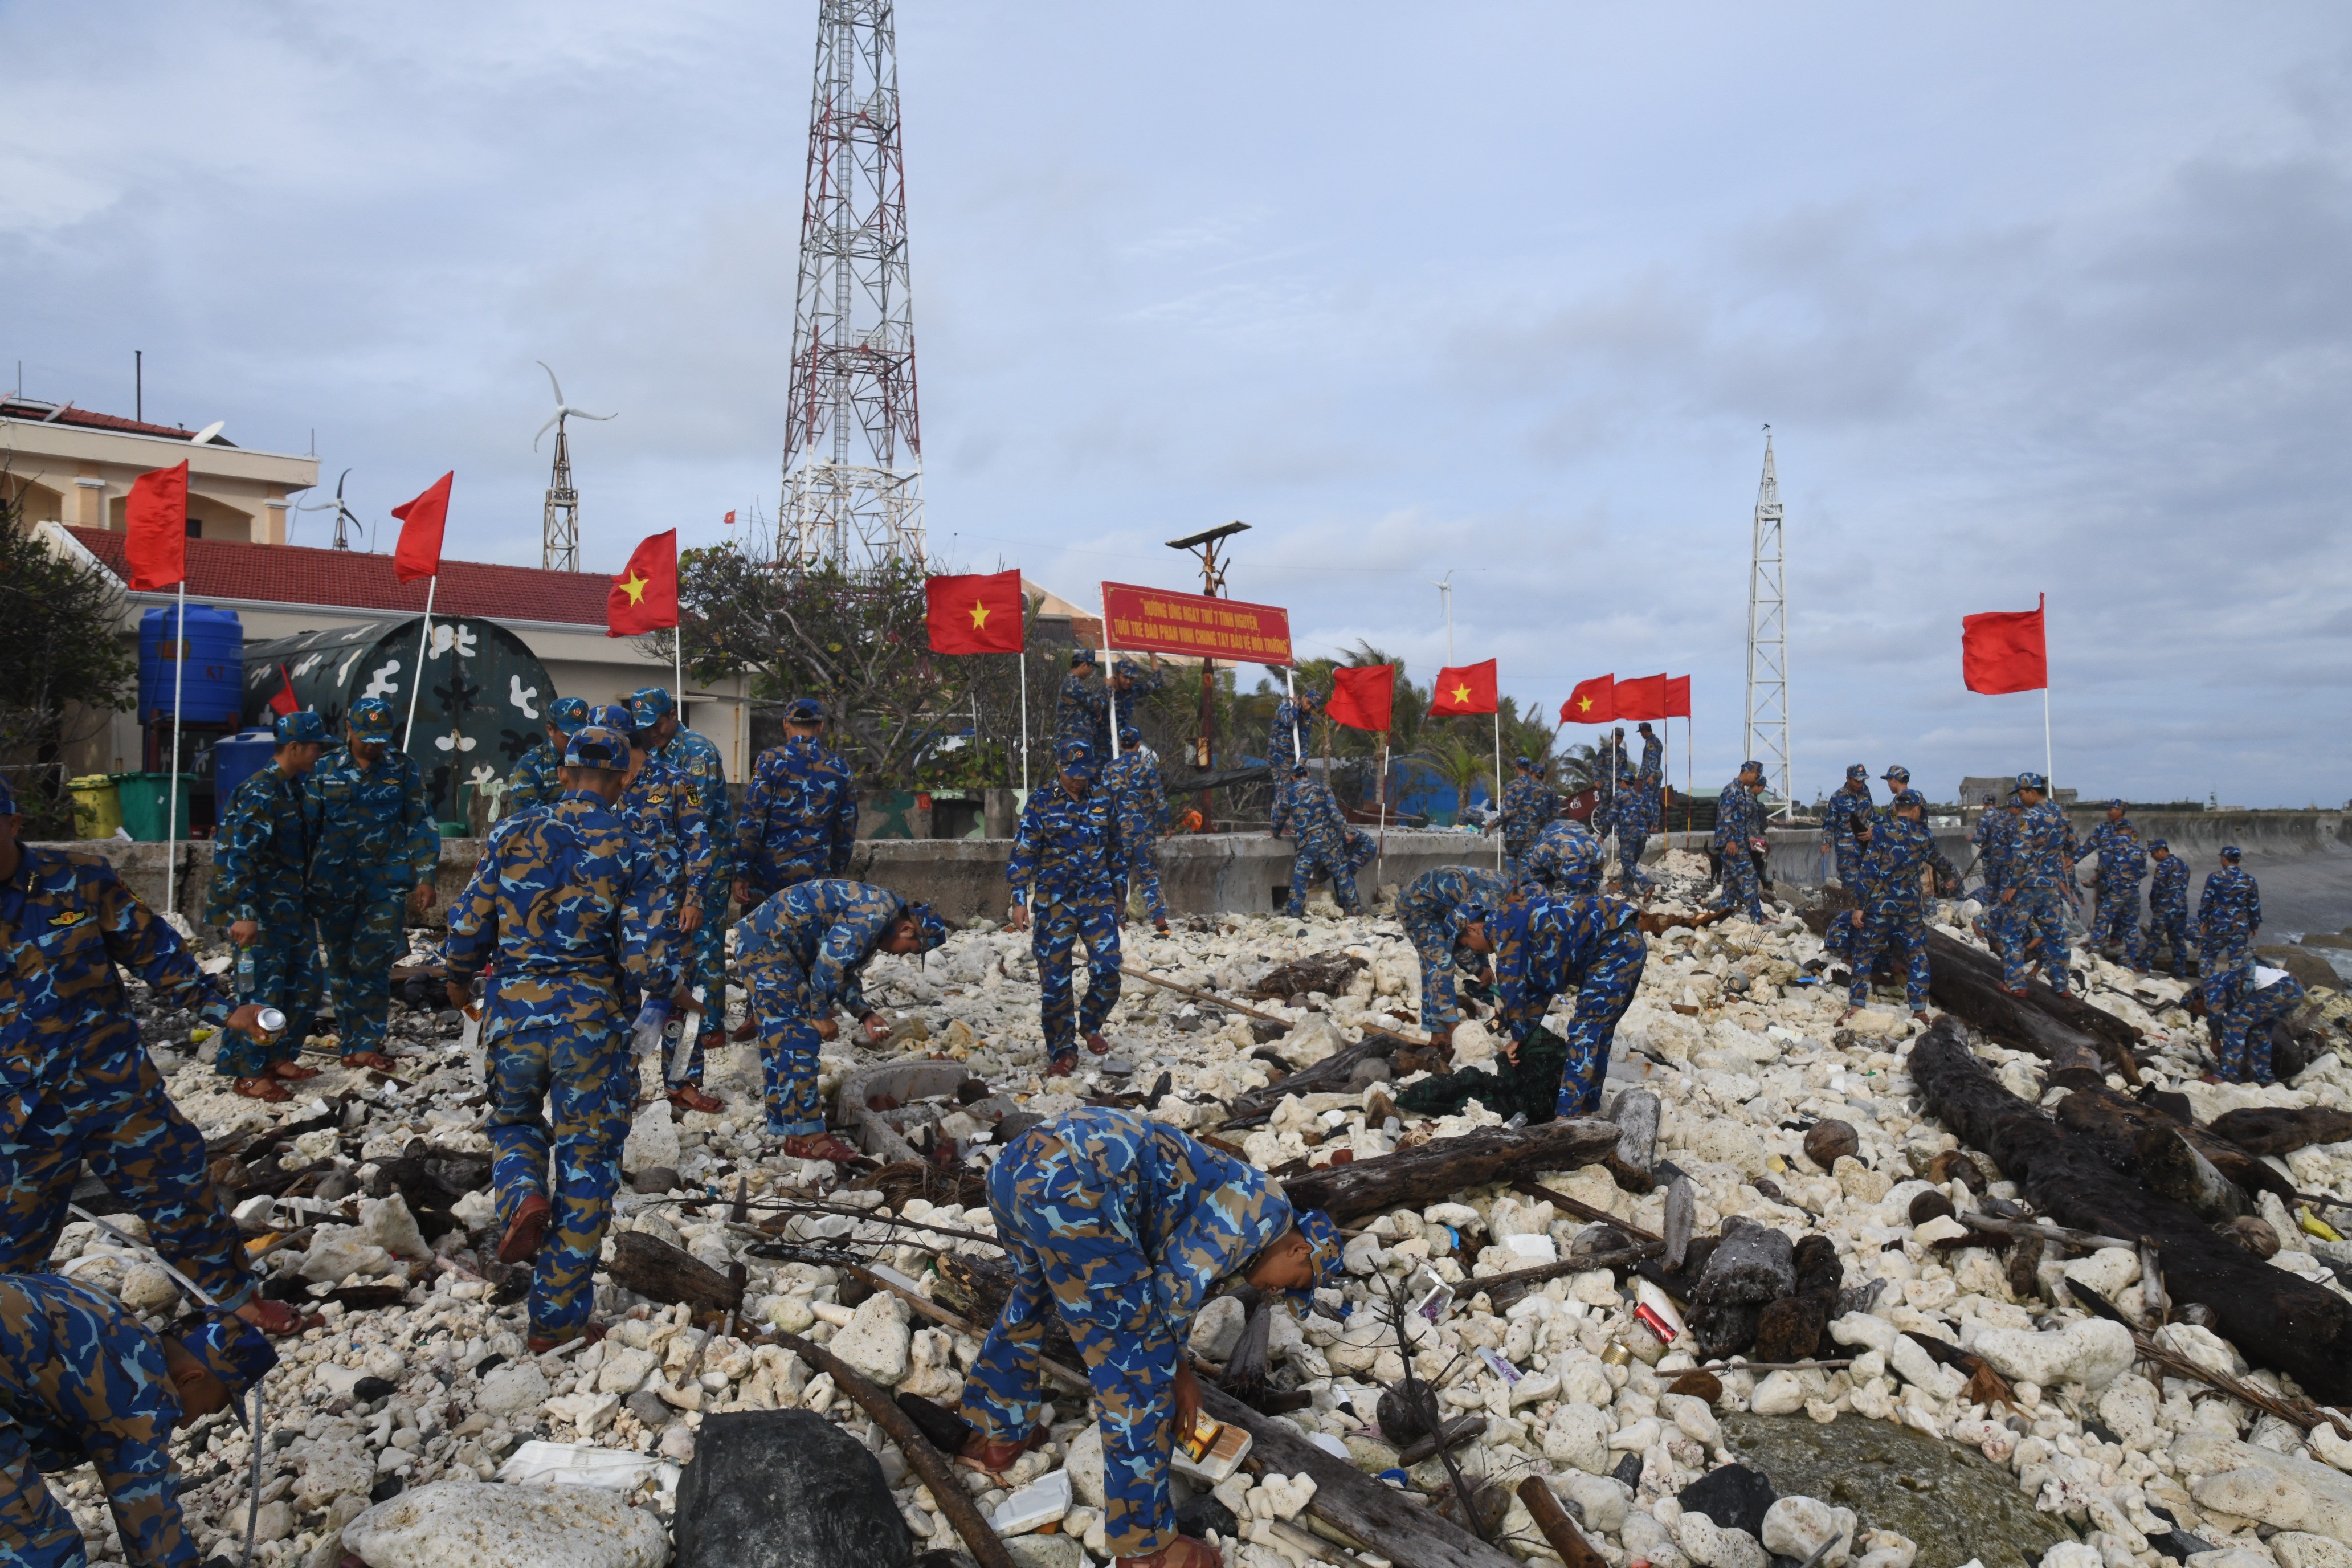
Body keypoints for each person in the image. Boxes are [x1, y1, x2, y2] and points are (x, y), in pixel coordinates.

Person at [955, 1106, 1342, 1568]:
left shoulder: (1245, 1192)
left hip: (1017, 1167)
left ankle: (996, 1433)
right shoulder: (1265, 1212)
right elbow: (1172, 1289)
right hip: (1077, 1185)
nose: (1278, 1292)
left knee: (1031, 1299)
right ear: (1300, 1248)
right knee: (1139, 1363)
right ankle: (1146, 1548)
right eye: (1296, 1281)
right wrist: (1178, 1371)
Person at [0, 774, 297, 1336]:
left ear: (15, 824)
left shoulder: (80, 879)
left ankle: (233, 1301)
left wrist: (220, 1009)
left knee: (181, 1189)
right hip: (18, 1109)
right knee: (12, 1238)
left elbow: (156, 952)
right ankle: (20, 1352)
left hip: (112, 1084)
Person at [443, 723, 676, 1352]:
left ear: (565, 771)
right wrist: (663, 994)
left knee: (514, 1121)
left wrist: (459, 981)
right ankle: (554, 1322)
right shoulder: (633, 842)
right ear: (626, 776)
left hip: (513, 1019)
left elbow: (467, 925)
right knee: (586, 1165)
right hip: (589, 1027)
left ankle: (520, 1194)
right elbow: (648, 961)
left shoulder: (512, 830)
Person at [0, 1275, 276, 1568]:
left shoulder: (99, 1307)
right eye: (205, 1409)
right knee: (46, 1547)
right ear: (191, 1377)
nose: (185, 1425)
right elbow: (147, 1517)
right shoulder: (142, 1386)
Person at [734, 881, 947, 1160]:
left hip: (772, 946)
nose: (901, 955)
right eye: (910, 949)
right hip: (768, 947)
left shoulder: (880, 920)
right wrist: (819, 1014)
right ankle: (810, 1139)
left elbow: (845, 971)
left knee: (782, 1040)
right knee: (797, 1038)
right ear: (907, 929)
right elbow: (830, 963)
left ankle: (793, 1133)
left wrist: (865, 1014)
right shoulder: (876, 912)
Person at [304, 696, 438, 1071]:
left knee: (375, 963)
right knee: (343, 964)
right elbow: (306, 829)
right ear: (348, 728)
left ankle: (366, 1043)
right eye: (366, 737)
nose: (373, 745)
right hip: (334, 884)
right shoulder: (324, 769)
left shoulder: (402, 768)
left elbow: (420, 822)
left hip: (385, 884)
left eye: (380, 738)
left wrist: (425, 875)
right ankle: (351, 1040)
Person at [204, 708, 330, 1101]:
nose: (318, 755)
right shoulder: (260, 792)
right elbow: (241, 856)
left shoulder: (293, 789)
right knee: (261, 993)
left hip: (291, 909)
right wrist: (244, 912)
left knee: (305, 984)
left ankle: (278, 1056)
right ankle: (248, 1071)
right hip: (261, 912)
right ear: (294, 747)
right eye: (314, 747)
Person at [605, 704, 717, 1112]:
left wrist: (695, 898)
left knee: (679, 997)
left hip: (668, 912)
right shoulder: (599, 786)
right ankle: (625, 1088)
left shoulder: (675, 781)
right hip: (612, 914)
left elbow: (698, 845)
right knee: (618, 1001)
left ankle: (682, 1081)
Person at [1463, 887, 1648, 1117]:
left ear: (1472, 929)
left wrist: (1518, 1033)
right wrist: (1521, 1037)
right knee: (1600, 1029)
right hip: (1629, 943)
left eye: (1469, 945)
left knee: (1586, 1030)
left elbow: (1513, 986)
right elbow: (1541, 986)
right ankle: (1585, 1108)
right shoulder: (1515, 919)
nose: (1475, 951)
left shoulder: (1502, 927)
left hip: (1612, 949)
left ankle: (1566, 1117)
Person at [632, 687, 734, 1098]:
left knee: (703, 953)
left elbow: (699, 821)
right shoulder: (638, 766)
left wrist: (694, 892)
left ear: (672, 715)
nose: (652, 733)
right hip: (652, 892)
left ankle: (707, 1027)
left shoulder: (697, 755)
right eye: (645, 729)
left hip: (700, 876)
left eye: (657, 724)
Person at [1008, 741, 1129, 1076]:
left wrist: (1121, 898)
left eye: (1084, 774)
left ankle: (1090, 1023)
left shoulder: (1104, 799)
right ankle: (1062, 1052)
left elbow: (1116, 850)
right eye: (1072, 774)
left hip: (1098, 898)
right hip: (1054, 902)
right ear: (1059, 767)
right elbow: (1023, 852)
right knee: (1056, 982)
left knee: (1108, 968)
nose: (1078, 781)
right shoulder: (1041, 801)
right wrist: (1019, 899)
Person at [1840, 789, 1958, 1024]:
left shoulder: (1882, 832)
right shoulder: (1923, 836)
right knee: (1917, 956)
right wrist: (1949, 876)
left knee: (1864, 953)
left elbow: (1868, 870)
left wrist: (1859, 906)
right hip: (1910, 910)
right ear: (1916, 810)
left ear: (1895, 809)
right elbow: (1939, 860)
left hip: (1880, 907)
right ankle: (1919, 1010)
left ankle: (1856, 1008)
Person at [734, 697, 859, 908]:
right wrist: (838, 869)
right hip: (815, 878)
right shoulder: (840, 768)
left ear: (785, 724)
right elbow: (846, 827)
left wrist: (740, 871)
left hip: (767, 879)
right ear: (820, 727)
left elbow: (752, 821)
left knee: (762, 938)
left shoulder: (770, 761)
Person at [1397, 865, 1506, 1040]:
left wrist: (1485, 967)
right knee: (1441, 963)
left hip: (1444, 906)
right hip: (1417, 907)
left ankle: (1438, 1034)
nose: (1475, 950)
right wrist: (1478, 970)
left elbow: (1485, 938)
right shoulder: (1477, 910)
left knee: (1439, 964)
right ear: (1472, 929)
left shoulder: (1492, 912)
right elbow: (1455, 944)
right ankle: (1450, 1034)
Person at [1999, 772, 2080, 997]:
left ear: (2032, 792)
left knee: (2011, 934)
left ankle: (2016, 985)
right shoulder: (2062, 814)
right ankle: (2062, 986)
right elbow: (2074, 846)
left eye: (2022, 794)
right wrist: (2066, 860)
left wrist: (2012, 885)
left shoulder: (2031, 817)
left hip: (2026, 887)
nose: (2021, 799)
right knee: (2057, 936)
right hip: (2050, 888)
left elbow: (2022, 853)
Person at [1103, 723, 1171, 932]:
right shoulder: (1148, 767)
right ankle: (1159, 919)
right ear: (1139, 744)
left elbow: (1103, 802)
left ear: (1122, 744)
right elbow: (1159, 800)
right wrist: (1167, 826)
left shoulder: (1110, 769)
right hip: (1144, 831)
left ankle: (1119, 920)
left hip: (1119, 833)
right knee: (1149, 875)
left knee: (1119, 875)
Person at [1275, 764, 1362, 918]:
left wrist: (1276, 832)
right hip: (1328, 841)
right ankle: (1355, 912)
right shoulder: (1323, 788)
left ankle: (1293, 915)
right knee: (1343, 876)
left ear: (1292, 778)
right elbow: (1335, 814)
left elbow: (1280, 816)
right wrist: (1346, 831)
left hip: (1307, 844)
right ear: (1308, 774)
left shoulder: (1289, 793)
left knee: (1300, 880)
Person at [2075, 799, 2147, 967]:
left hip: (2112, 883)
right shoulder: (2133, 844)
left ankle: (2093, 955)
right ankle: (2129, 961)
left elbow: (2104, 865)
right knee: (2130, 924)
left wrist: (2097, 878)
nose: (2109, 812)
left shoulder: (2117, 838)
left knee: (2104, 919)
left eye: (2112, 809)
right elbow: (2089, 845)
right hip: (2130, 888)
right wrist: (2074, 859)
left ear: (2121, 811)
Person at [2196, 845, 2262, 1020]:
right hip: (2239, 928)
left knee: (2208, 957)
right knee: (2237, 962)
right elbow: (2254, 906)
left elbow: (2206, 901)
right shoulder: (2249, 881)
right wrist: (2254, 925)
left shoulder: (2215, 878)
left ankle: (2208, 989)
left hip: (2218, 926)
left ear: (2224, 858)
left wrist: (2204, 921)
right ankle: (2235, 996)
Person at [2211, 964, 2303, 1085]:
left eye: (2196, 1011)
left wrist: (2215, 1038)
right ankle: (2264, 1078)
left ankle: (2228, 1075)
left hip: (2280, 988)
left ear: (2197, 1000)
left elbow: (2215, 1012)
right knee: (2260, 1030)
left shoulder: (2210, 985)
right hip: (2297, 993)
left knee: (2234, 1022)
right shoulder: (2228, 984)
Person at [500, 697, 590, 820]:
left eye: (581, 735)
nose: (575, 742)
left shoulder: (595, 757)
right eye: (568, 737)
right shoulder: (529, 767)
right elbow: (531, 821)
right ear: (550, 730)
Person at [1712, 760, 1770, 921]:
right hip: (1732, 845)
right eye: (1757, 775)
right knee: (1750, 877)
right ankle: (1757, 918)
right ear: (1747, 773)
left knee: (1730, 885)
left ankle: (1723, 918)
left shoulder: (1740, 791)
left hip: (1738, 844)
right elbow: (1725, 816)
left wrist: (1747, 841)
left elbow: (1739, 822)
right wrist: (1730, 840)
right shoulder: (1732, 791)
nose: (1757, 779)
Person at [1614, 724, 1664, 894]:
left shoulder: (1651, 743)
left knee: (1650, 799)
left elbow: (1652, 761)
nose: (1641, 735)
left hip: (1651, 775)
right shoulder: (1655, 741)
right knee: (1653, 801)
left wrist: (1649, 776)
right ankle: (1627, 889)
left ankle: (1645, 885)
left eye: (1641, 732)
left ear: (1645, 731)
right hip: (1642, 832)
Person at [1265, 684, 1318, 835]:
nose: (1309, 708)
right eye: (1308, 703)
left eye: (1313, 706)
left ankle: (1282, 824)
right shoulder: (1286, 705)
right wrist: (1295, 705)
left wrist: (1303, 758)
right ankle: (1276, 826)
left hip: (1293, 760)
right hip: (1279, 755)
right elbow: (1288, 721)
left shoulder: (1307, 717)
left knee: (1293, 790)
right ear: (1303, 697)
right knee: (1283, 790)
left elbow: (1305, 738)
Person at [1500, 756, 1559, 876]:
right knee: (1529, 861)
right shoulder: (1549, 791)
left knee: (1511, 856)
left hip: (1515, 832)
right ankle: (1528, 887)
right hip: (1538, 832)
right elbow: (1552, 815)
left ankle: (1514, 884)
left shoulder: (1514, 786)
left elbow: (1508, 811)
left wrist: (1501, 826)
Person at [2145, 839, 2195, 976]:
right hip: (2181, 908)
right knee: (2178, 941)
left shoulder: (2163, 866)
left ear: (2161, 850)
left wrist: (2153, 904)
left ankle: (2143, 966)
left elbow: (2157, 889)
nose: (2152, 857)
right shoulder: (2183, 865)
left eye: (2154, 853)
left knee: (2154, 938)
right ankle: (2179, 970)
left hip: (2165, 908)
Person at [1522, 815, 1603, 895]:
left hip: (1576, 828)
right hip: (1551, 830)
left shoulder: (1597, 857)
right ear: (1560, 870)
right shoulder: (1541, 854)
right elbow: (1537, 882)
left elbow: (1595, 880)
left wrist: (1590, 893)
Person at [1823, 765, 1875, 886]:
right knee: (1850, 884)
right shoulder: (1837, 798)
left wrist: (1891, 822)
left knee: (1869, 883)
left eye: (1863, 781)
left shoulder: (1865, 792)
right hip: (1847, 849)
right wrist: (1826, 842)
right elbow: (1829, 823)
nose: (1861, 784)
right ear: (1849, 779)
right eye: (1858, 781)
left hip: (1865, 845)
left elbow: (1871, 813)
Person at [1054, 650, 1109, 761]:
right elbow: (1097, 705)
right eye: (1091, 668)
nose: (1090, 672)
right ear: (1084, 665)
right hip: (1073, 741)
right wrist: (1108, 688)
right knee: (1075, 776)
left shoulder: (1071, 683)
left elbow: (1079, 710)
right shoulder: (1074, 686)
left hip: (1071, 740)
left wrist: (1093, 717)